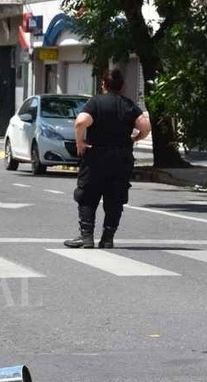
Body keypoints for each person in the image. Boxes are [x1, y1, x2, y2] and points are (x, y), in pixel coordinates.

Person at [64, 68, 151, 249]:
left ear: (103, 84)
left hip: (96, 157)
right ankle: (108, 237)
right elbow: (145, 126)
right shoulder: (129, 105)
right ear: (122, 86)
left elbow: (81, 122)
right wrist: (136, 138)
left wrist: (80, 142)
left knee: (88, 196)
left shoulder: (95, 102)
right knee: (115, 198)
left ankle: (86, 237)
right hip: (121, 159)